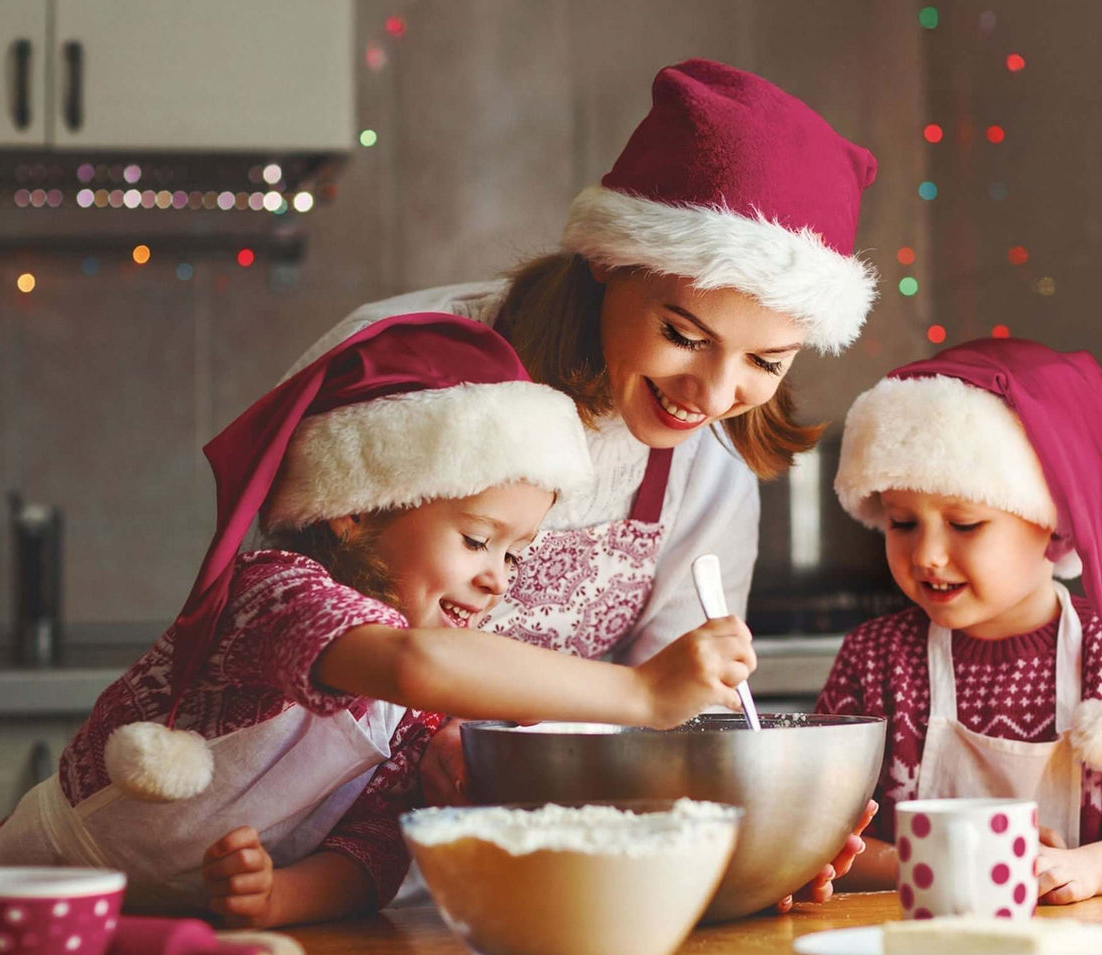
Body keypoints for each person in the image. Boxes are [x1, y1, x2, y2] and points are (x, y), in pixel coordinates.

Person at [287, 57, 882, 908]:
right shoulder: (399, 361)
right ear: (608, 261)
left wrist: (760, 843)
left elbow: (666, 723)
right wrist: (426, 739)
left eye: (765, 362)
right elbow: (268, 605)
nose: (712, 396)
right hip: (291, 860)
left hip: (523, 880)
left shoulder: (707, 481)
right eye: (684, 334)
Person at [0, 314, 757, 928]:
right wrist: (644, 694)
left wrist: (275, 899)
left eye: (515, 556)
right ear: (353, 511)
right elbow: (413, 665)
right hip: (29, 890)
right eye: (478, 539)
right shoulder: (275, 592)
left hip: (182, 937)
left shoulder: (423, 702)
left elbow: (370, 855)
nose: (496, 578)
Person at [818, 337, 1102, 904]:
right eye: (902, 523)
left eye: (966, 524)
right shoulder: (875, 659)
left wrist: (1088, 869)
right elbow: (821, 841)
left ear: (1054, 522)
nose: (927, 554)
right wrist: (958, 863)